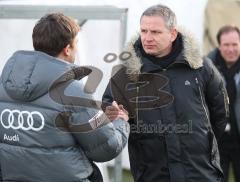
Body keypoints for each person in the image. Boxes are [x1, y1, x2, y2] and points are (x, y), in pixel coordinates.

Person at [102, 4, 229, 182]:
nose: (147, 38)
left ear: (173, 34)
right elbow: (110, 111)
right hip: (153, 174)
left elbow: (220, 112)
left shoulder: (200, 67)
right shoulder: (126, 74)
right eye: (144, 31)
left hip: (200, 173)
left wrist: (201, 140)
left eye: (155, 32)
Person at [0, 13, 129, 182]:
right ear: (67, 49)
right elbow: (105, 148)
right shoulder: (75, 92)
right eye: (76, 44)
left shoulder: (3, 85)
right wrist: (121, 121)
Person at [207, 25, 240, 182]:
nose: (231, 49)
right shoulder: (207, 68)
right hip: (217, 139)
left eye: (235, 44)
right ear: (219, 46)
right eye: (226, 45)